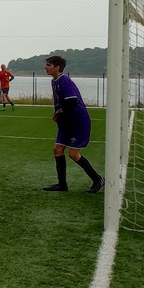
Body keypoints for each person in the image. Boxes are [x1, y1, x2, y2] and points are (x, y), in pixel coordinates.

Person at [42, 55, 104, 193]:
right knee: (57, 149)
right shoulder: (54, 81)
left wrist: (61, 113)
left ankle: (98, 179)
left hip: (78, 122)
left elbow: (72, 102)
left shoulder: (65, 80)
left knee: (73, 154)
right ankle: (62, 184)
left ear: (57, 67)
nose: (45, 67)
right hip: (66, 122)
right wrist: (58, 114)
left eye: (48, 65)